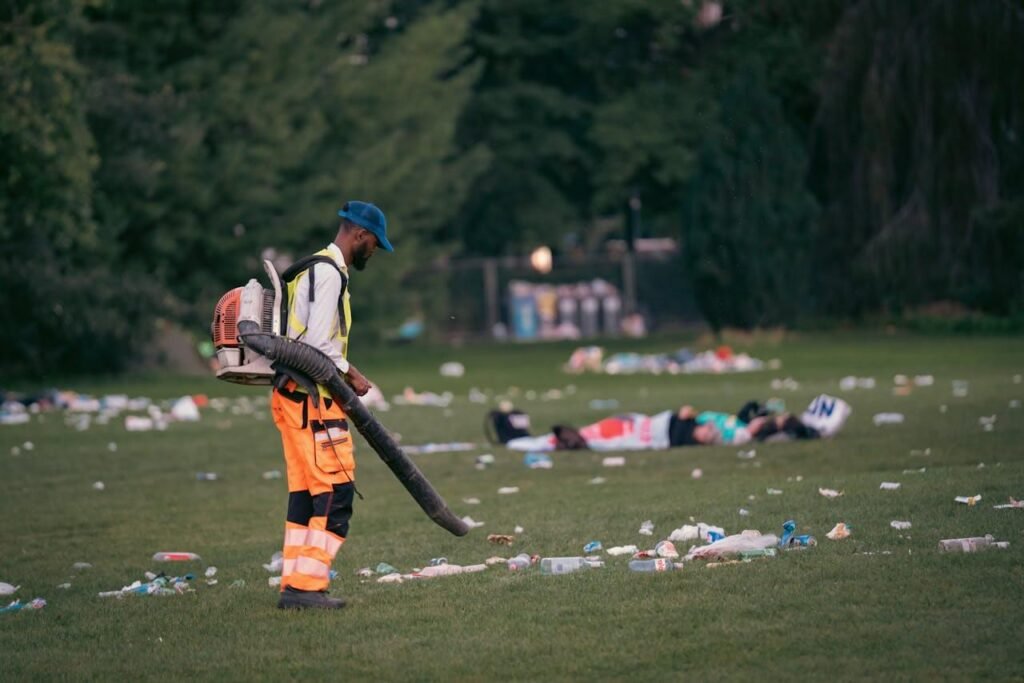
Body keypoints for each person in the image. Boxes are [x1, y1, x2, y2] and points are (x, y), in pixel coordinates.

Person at [271, 200, 393, 610]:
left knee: (306, 494)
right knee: (336, 493)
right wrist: (352, 374)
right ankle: (305, 587)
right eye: (375, 242)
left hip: (292, 397)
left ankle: (295, 585)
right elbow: (318, 344)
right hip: (313, 402)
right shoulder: (328, 275)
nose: (374, 250)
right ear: (360, 234)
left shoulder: (311, 268)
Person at [501, 400, 819, 452]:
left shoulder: (738, 434)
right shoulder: (738, 423)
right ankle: (566, 438)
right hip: (656, 423)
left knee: (604, 435)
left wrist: (698, 427)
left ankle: (567, 440)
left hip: (659, 431)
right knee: (605, 428)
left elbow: (704, 434)